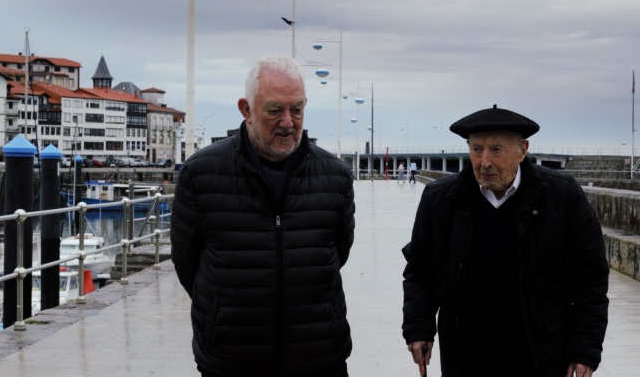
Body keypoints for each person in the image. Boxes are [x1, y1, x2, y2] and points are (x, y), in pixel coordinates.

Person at [171, 54, 356, 377]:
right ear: (246, 110)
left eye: (296, 109)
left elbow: (338, 252)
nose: (288, 122)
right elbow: (187, 263)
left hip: (318, 356)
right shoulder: (200, 174)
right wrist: (222, 313)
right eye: (274, 110)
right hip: (231, 361)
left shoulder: (335, 176)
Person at [401, 105, 609, 377]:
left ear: (523, 150)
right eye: (477, 149)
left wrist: (584, 349)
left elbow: (590, 278)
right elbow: (420, 271)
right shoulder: (440, 199)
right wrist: (419, 327)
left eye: (496, 149)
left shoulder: (562, 196)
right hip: (466, 357)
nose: (484, 161)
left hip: (540, 355)